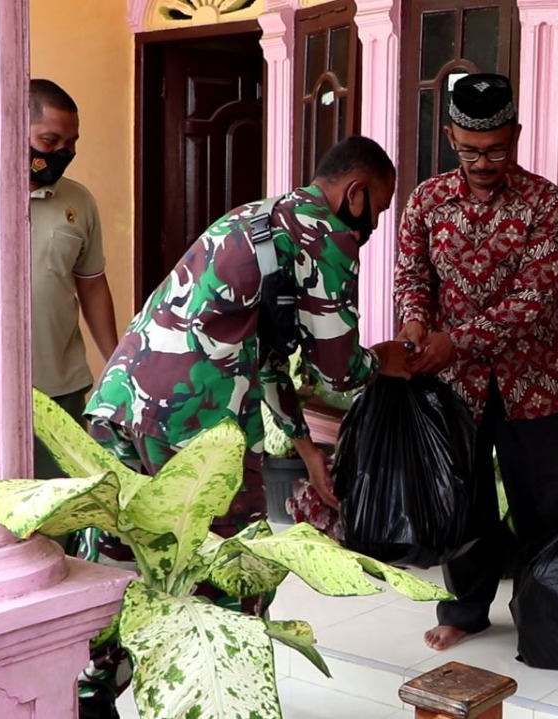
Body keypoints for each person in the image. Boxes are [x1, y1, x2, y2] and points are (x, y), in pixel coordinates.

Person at [77, 136, 408, 716]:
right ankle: (222, 699)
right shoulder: (326, 235)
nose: (373, 223)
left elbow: (270, 353)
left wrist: (305, 450)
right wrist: (386, 360)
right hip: (192, 426)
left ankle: (89, 688)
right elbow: (339, 367)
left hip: (120, 403)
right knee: (238, 568)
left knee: (114, 554)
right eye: (377, 208)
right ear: (355, 192)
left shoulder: (257, 216)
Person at [394, 73, 558, 651]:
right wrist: (415, 325)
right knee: (464, 503)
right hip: (454, 386)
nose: (483, 161)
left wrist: (459, 338)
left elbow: (535, 297)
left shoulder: (546, 203)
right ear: (450, 135)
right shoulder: (426, 200)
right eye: (471, 149)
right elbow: (412, 279)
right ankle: (467, 610)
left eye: (496, 148)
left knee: (544, 506)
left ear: (516, 135)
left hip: (536, 381)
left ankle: (547, 614)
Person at [29, 79, 118, 479]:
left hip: (61, 387)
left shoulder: (78, 201)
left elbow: (92, 284)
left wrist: (117, 363)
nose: (62, 152)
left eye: (71, 143)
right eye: (50, 141)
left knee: (61, 509)